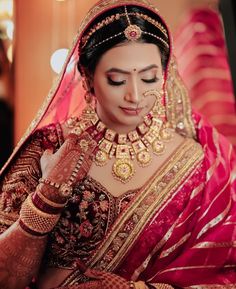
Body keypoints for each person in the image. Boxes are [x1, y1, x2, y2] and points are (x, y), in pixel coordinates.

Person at [0, 0, 235, 288]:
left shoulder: (199, 163)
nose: (135, 96)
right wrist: (47, 199)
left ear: (164, 74)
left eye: (149, 78)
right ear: (87, 79)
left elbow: (223, 273)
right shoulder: (47, 147)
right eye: (116, 80)